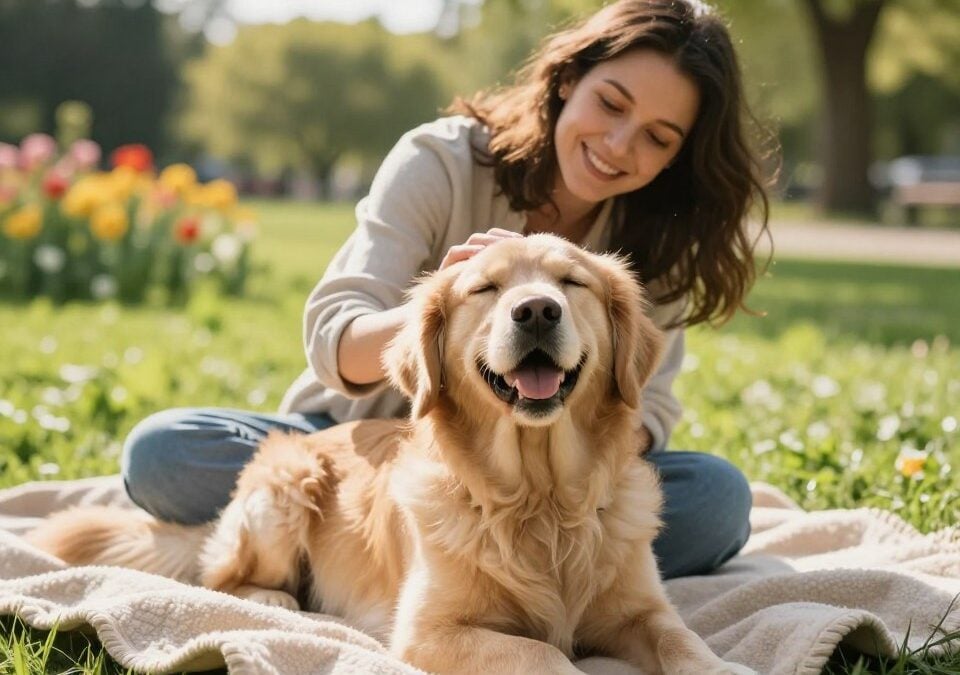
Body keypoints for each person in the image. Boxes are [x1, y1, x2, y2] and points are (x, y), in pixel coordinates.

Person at [121, 0, 773, 580]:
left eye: (658, 138)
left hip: (554, 489)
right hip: (353, 447)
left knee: (717, 499)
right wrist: (447, 302)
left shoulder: (653, 244)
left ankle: (421, 572)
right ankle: (355, 557)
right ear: (569, 80)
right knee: (163, 452)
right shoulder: (439, 160)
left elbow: (647, 411)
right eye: (611, 103)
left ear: (675, 158)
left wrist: (537, 482)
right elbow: (334, 337)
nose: (618, 144)